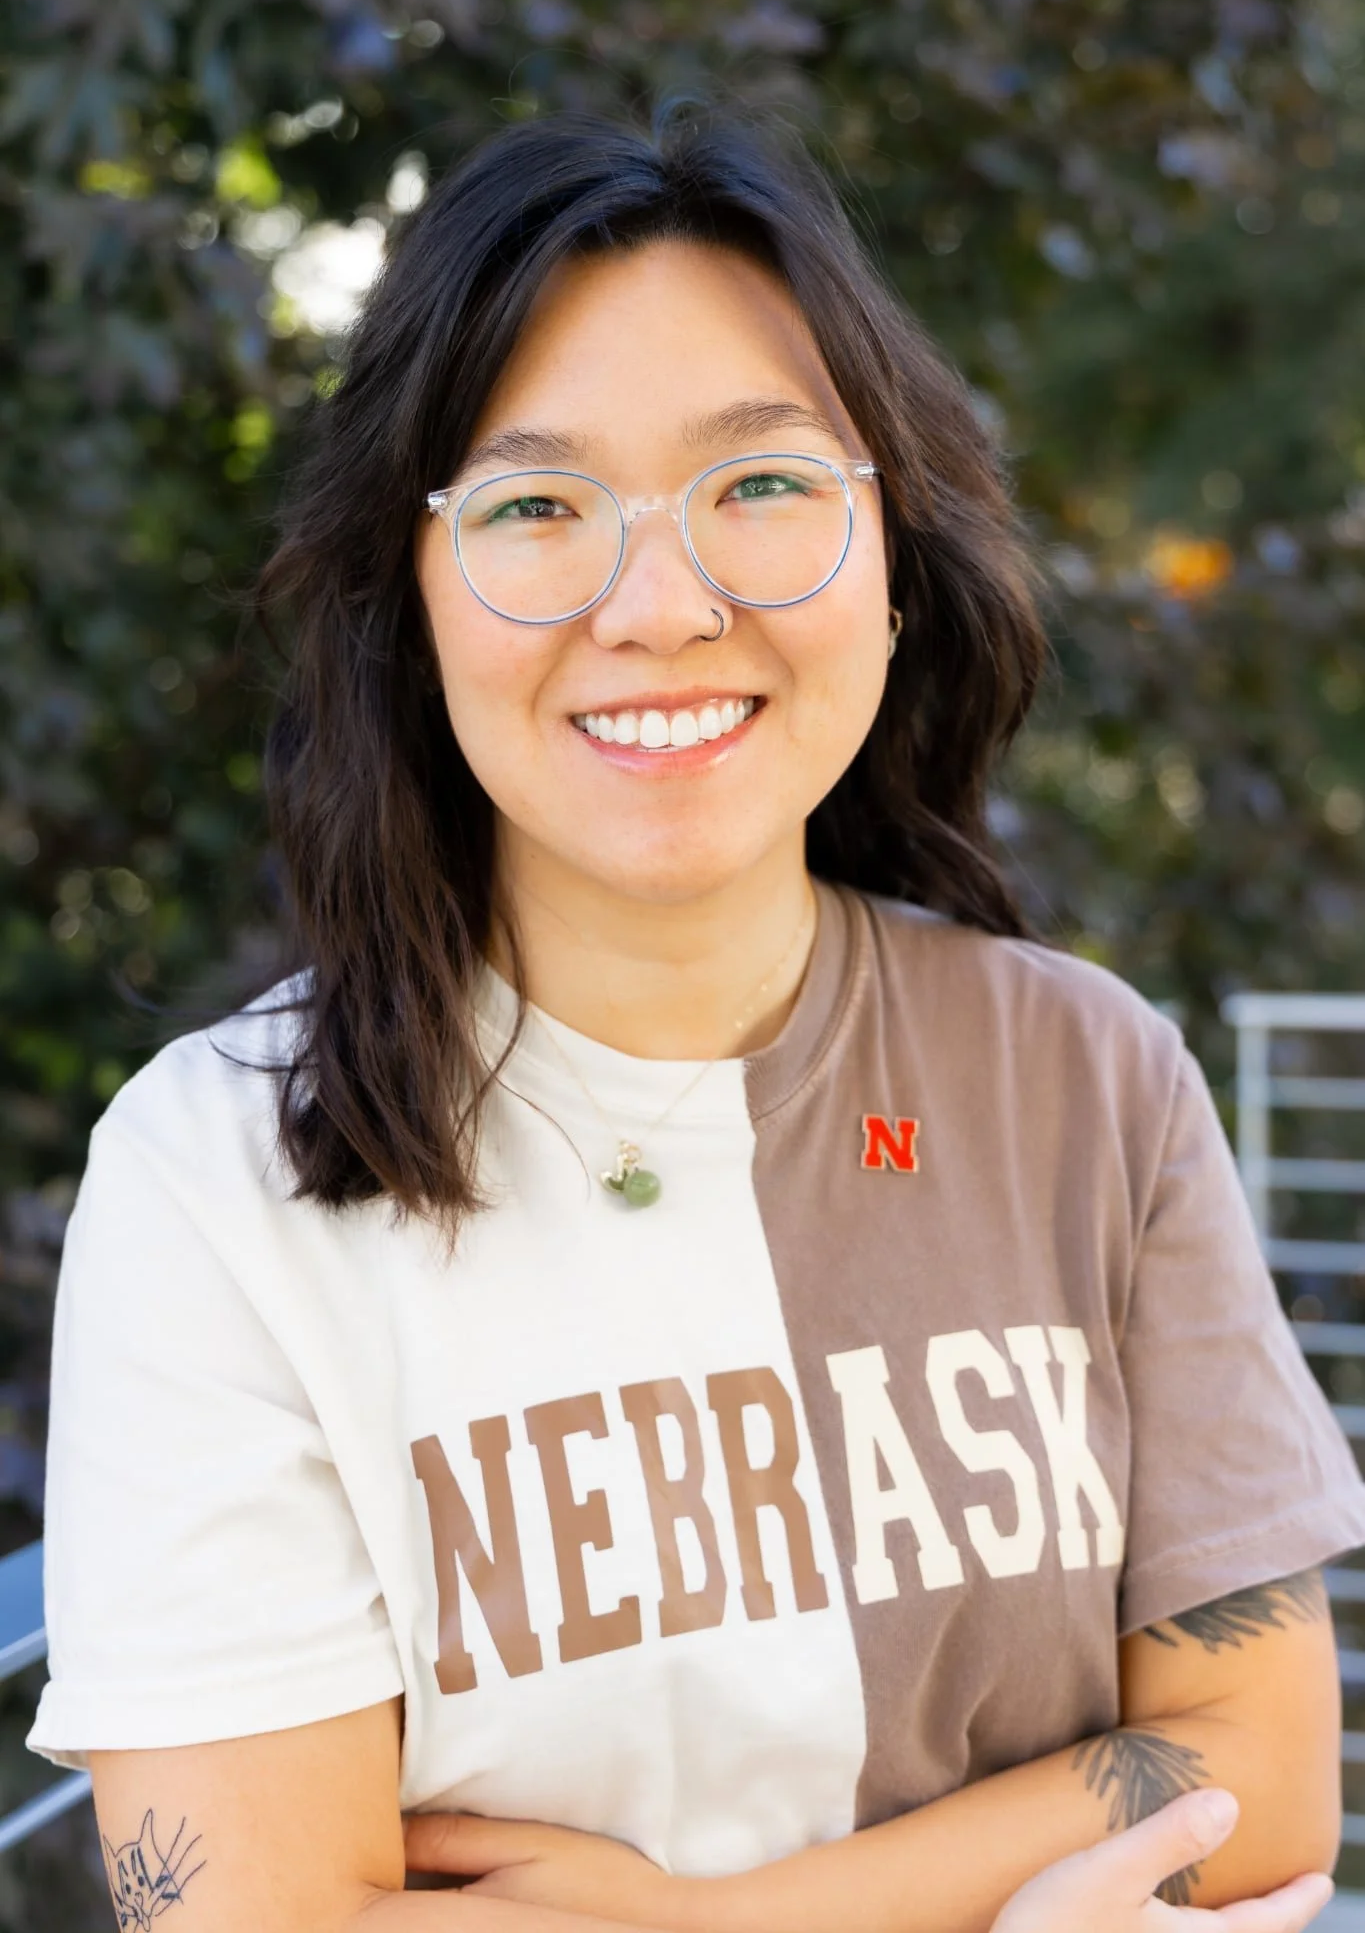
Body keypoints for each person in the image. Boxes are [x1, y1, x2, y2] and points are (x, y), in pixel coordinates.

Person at [28, 106, 1365, 1933]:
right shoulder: (217, 1183)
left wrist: (710, 1919)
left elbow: (1264, 1777)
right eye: (535, 508)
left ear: (894, 555)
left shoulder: (1085, 1079)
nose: (658, 607)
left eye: (759, 485)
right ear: (411, 608)